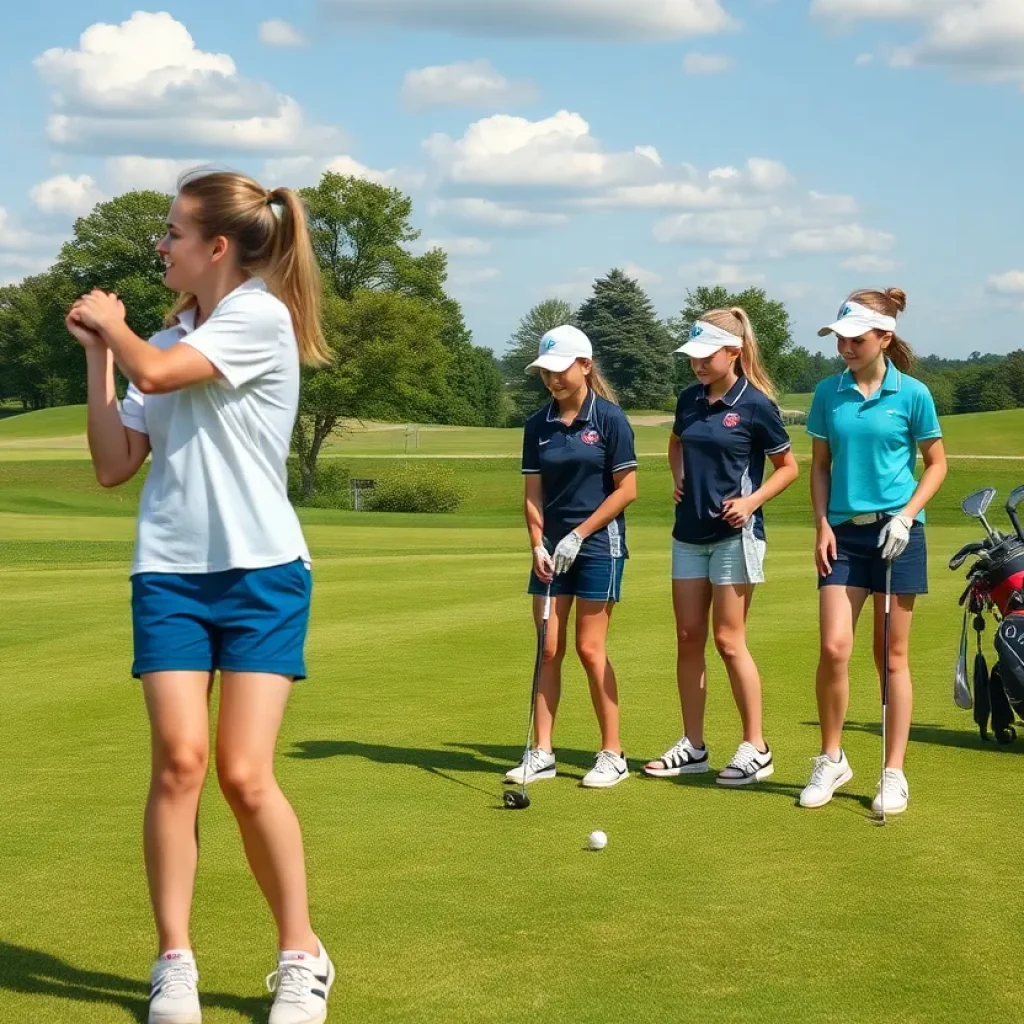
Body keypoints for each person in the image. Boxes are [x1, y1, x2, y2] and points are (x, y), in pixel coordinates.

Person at [66, 169, 336, 1024]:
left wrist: (119, 332)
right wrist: (99, 356)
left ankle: (301, 954)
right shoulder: (166, 335)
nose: (162, 244)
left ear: (217, 247)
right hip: (171, 574)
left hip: (262, 575)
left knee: (244, 774)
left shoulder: (259, 316)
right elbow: (115, 463)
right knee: (179, 764)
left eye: (175, 232)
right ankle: (172, 960)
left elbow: (167, 374)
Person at [799, 288, 947, 814]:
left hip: (898, 536)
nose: (844, 347)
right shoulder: (827, 393)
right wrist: (821, 524)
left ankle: (893, 771)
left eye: (855, 339)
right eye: (840, 339)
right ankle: (832, 757)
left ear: (884, 338)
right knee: (835, 648)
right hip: (843, 535)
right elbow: (819, 466)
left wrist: (907, 516)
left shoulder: (913, 394)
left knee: (891, 657)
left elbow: (936, 464)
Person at [643, 308, 799, 786]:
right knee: (688, 637)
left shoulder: (756, 404)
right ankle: (693, 746)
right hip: (687, 535)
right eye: (692, 357)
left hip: (736, 537)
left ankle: (757, 747)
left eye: (706, 356)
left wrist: (751, 501)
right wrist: (679, 475)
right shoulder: (688, 399)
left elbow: (788, 467)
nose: (697, 365)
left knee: (729, 641)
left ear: (733, 352)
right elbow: (676, 444)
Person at [505, 324, 638, 789]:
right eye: (545, 372)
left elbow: (628, 490)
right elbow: (532, 495)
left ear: (585, 365)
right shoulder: (536, 426)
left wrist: (579, 534)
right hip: (551, 551)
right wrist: (538, 543)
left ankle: (613, 753)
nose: (553, 379)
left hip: (600, 546)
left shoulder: (610, 420)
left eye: (561, 369)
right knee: (548, 647)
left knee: (588, 648)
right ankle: (541, 751)